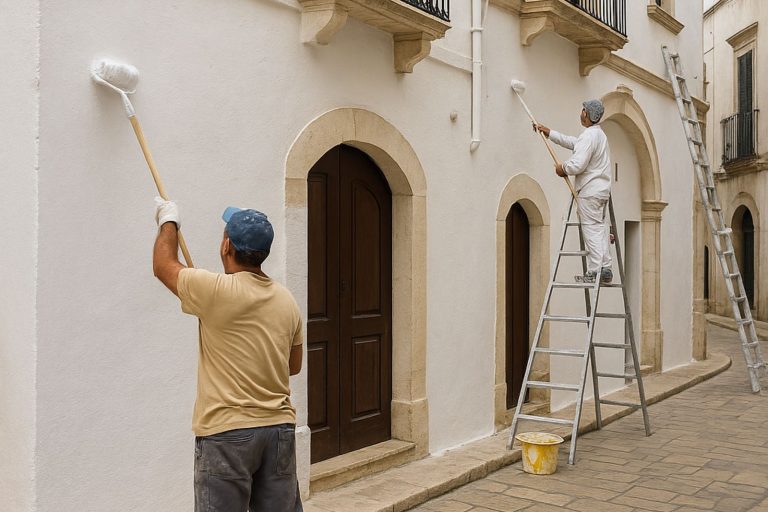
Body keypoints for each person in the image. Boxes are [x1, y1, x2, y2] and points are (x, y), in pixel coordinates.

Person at [152, 199, 304, 512]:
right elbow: (294, 365)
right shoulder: (286, 300)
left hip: (226, 435)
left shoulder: (214, 290)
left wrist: (169, 220)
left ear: (226, 247)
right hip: (278, 432)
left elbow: (163, 265)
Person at [534, 99, 613, 284]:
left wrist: (563, 168)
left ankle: (595, 271)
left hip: (590, 191)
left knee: (591, 229)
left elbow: (578, 163)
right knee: (599, 228)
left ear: (588, 114)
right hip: (601, 190)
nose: (581, 112)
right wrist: (550, 133)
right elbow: (574, 143)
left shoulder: (589, 136)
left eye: (583, 110)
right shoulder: (598, 135)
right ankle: (606, 268)